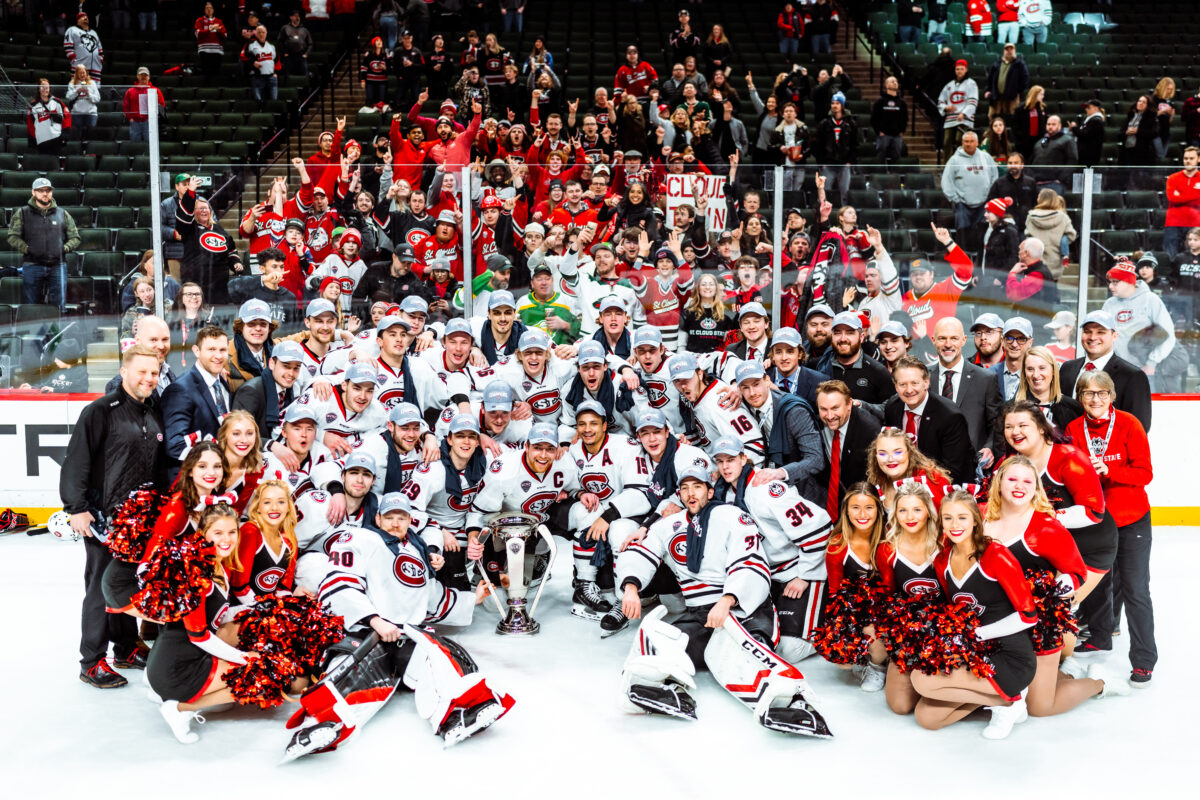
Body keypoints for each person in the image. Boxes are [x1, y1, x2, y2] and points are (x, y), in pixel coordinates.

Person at [616, 466, 829, 736]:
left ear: (710, 489)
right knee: (663, 642)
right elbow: (641, 552)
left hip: (744, 607)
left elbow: (752, 562)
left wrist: (728, 599)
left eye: (697, 487)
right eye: (684, 488)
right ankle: (669, 690)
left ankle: (793, 701)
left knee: (741, 651)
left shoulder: (732, 516)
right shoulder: (669, 525)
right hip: (701, 613)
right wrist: (631, 587)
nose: (691, 494)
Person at [60, 345, 166, 688]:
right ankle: (91, 661)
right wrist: (76, 508)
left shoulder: (154, 410)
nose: (149, 379)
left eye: (154, 373)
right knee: (99, 590)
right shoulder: (101, 411)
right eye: (142, 372)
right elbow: (76, 460)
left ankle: (125, 648)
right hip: (105, 520)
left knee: (126, 586)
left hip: (142, 521)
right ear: (124, 372)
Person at [912, 489, 1037, 738]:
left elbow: (1028, 615)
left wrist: (978, 633)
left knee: (921, 679)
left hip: (1010, 656)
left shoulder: (996, 555)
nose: (955, 525)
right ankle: (1005, 702)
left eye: (962, 517)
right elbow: (955, 612)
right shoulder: (942, 561)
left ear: (975, 521)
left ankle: (1010, 701)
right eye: (948, 518)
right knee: (927, 718)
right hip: (974, 654)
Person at [1001, 400, 1117, 650]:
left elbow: (1094, 511)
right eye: (1009, 426)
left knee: (1055, 613)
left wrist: (1043, 517)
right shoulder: (1012, 461)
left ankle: (1065, 666)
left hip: (1090, 549)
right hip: (1049, 550)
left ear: (1042, 428)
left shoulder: (1069, 457)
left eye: (1023, 425)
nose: (1015, 431)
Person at [1066, 370, 1157, 686]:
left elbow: (1145, 473)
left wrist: (1111, 470)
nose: (1095, 399)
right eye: (1088, 393)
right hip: (1095, 522)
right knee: (1098, 585)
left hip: (1132, 520)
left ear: (1112, 396)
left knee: (1135, 589)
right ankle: (1100, 637)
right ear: (1080, 398)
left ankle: (1144, 659)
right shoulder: (1074, 429)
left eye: (1102, 393)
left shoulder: (1130, 424)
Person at [822, 484, 889, 689]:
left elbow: (892, 589)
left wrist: (873, 620)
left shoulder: (888, 540)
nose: (862, 514)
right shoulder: (838, 544)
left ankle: (878, 666)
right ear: (846, 510)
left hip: (884, 608)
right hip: (854, 608)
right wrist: (841, 627)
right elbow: (835, 592)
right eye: (855, 507)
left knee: (872, 630)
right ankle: (865, 657)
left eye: (869, 507)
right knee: (842, 660)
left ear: (878, 509)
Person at [734, 361, 824, 502]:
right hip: (762, 487)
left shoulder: (794, 411)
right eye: (746, 388)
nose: (752, 393)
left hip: (802, 490)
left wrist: (780, 473)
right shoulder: (742, 405)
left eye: (756, 384)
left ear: (767, 380)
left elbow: (816, 459)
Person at [883, 356, 978, 485]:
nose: (909, 390)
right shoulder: (892, 407)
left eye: (914, 383)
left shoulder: (950, 416)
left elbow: (952, 470)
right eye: (902, 384)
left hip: (943, 486)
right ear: (895, 386)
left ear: (926, 383)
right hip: (902, 483)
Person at [1101, 258, 1188, 393]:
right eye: (1110, 282)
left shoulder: (1150, 299)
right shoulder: (1109, 304)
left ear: (1129, 282)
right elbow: (1105, 336)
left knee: (1149, 409)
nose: (1110, 287)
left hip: (1146, 370)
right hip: (1122, 369)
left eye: (1115, 282)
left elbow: (1168, 333)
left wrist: (1151, 363)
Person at [931, 317, 1004, 474]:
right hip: (931, 468)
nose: (948, 344)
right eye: (942, 338)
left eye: (954, 338)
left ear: (964, 340)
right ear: (933, 341)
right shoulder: (923, 377)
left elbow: (996, 422)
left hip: (971, 468)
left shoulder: (985, 378)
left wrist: (989, 447)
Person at [1059, 310, 1152, 432]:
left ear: (1114, 336)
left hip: (1108, 449)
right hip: (1068, 447)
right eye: (1087, 332)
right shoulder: (1067, 368)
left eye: (1100, 332)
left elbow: (1139, 427)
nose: (1093, 337)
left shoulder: (1132, 375)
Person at [162, 325, 231, 476]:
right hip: (190, 484)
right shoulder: (180, 389)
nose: (218, 356)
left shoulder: (223, 383)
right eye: (211, 349)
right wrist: (212, 466)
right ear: (196, 351)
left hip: (217, 479)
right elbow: (175, 446)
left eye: (222, 350)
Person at [7, 177, 79, 309]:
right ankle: (35, 331)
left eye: (48, 190)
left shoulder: (63, 214)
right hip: (32, 265)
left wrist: (64, 248)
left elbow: (75, 237)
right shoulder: (22, 213)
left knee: (58, 307)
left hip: (58, 266)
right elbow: (12, 237)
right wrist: (27, 249)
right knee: (31, 306)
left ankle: (56, 330)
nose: (45, 194)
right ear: (33, 192)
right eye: (40, 191)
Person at [815, 380, 882, 518]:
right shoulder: (815, 424)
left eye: (835, 408)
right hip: (828, 500)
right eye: (823, 409)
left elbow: (871, 479)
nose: (829, 415)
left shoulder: (869, 430)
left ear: (849, 404)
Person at [900, 224, 975, 345]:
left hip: (941, 351)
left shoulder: (946, 289)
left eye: (922, 273)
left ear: (931, 274)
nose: (918, 277)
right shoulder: (906, 297)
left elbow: (966, 270)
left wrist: (948, 242)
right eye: (914, 274)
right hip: (913, 354)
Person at [175, 176, 244, 305]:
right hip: (196, 283)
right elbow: (183, 216)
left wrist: (235, 262)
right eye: (199, 208)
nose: (204, 210)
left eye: (206, 208)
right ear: (193, 213)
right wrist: (190, 192)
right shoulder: (189, 228)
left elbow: (231, 250)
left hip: (219, 286)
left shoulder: (219, 229)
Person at [232, 339, 305, 441]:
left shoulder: (291, 390)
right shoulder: (250, 391)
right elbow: (237, 434)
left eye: (296, 368)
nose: (291, 373)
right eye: (286, 366)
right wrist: (270, 445)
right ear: (271, 363)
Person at [942, 131, 998, 245]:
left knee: (983, 231)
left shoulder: (986, 157)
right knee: (962, 232)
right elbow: (946, 182)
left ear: (977, 143)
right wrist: (955, 199)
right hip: (962, 204)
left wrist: (990, 197)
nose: (969, 144)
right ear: (962, 143)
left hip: (984, 204)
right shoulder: (954, 160)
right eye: (966, 141)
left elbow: (995, 177)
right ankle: (962, 257)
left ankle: (979, 256)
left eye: (972, 141)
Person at [1014, 345, 1084, 429]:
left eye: (1042, 368)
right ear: (1024, 373)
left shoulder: (1072, 408)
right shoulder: (1012, 408)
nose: (1036, 375)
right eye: (1030, 369)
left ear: (1053, 370)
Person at [1005, 238, 1059, 331]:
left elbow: (1014, 294)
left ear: (1026, 253)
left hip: (1036, 329)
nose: (1018, 253)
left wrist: (1012, 273)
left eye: (1020, 250)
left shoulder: (1037, 275)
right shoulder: (1033, 271)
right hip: (1033, 325)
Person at [1023, 189, 1076, 280]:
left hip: (1036, 261)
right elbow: (1071, 235)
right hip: (1055, 260)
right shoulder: (1063, 217)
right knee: (1052, 290)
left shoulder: (1031, 217)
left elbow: (1028, 237)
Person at [1163, 146, 1200, 259]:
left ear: (1198, 159)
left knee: (1194, 257)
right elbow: (1172, 198)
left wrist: (1181, 195)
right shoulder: (1173, 178)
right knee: (1170, 257)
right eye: (1185, 158)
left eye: (1191, 158)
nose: (1188, 161)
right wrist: (1196, 193)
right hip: (1174, 223)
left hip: (1195, 223)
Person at [938, 59, 979, 154]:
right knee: (946, 143)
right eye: (957, 69)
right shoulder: (949, 85)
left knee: (959, 141)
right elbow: (940, 101)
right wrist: (945, 107)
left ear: (966, 70)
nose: (959, 71)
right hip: (950, 120)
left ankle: (962, 165)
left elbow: (973, 101)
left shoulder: (971, 83)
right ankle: (947, 166)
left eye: (961, 69)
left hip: (964, 119)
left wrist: (964, 114)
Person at [990, 316, 1034, 400]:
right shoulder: (989, 374)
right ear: (1002, 340)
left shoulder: (1035, 377)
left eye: (1021, 339)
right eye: (1009, 338)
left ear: (1030, 342)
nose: (1014, 344)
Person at [25, 77, 70, 155]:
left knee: (54, 164)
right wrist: (33, 140)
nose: (45, 89)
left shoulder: (57, 102)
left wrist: (65, 134)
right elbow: (30, 124)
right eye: (42, 87)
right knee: (43, 165)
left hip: (56, 138)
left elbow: (67, 118)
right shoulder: (33, 105)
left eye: (47, 87)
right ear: (39, 89)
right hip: (42, 140)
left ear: (49, 89)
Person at [985, 43, 1029, 120]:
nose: (1009, 51)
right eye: (1007, 49)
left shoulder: (1019, 64)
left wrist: (1017, 91)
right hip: (996, 96)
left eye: (1011, 49)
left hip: (1012, 97)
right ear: (1003, 51)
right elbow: (990, 78)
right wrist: (988, 90)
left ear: (1015, 51)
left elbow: (1025, 79)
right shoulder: (997, 63)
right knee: (993, 117)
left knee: (1013, 117)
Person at [870, 76, 908, 163]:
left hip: (897, 135)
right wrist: (879, 131)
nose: (895, 83)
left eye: (896, 81)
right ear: (886, 85)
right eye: (892, 81)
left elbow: (905, 118)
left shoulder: (902, 102)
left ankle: (894, 175)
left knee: (897, 158)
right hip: (884, 135)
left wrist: (902, 130)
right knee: (880, 157)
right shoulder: (880, 102)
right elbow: (874, 119)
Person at [122, 66, 165, 142]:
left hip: (149, 122)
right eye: (141, 75)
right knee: (135, 144)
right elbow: (126, 106)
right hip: (135, 122)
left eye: (145, 75)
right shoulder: (130, 91)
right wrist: (130, 118)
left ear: (149, 77)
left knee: (150, 144)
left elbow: (161, 105)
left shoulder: (155, 90)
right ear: (137, 76)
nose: (143, 77)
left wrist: (153, 118)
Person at [243, 24, 279, 103]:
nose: (261, 34)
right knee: (258, 102)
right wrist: (252, 62)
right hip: (257, 77)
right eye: (259, 32)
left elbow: (276, 60)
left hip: (271, 77)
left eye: (263, 32)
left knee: (273, 101)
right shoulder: (250, 45)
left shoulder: (272, 46)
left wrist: (275, 72)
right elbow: (244, 59)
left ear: (266, 33)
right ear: (255, 33)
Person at [63, 11, 103, 81]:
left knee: (95, 89)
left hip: (96, 67)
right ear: (78, 20)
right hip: (80, 65)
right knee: (78, 88)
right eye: (82, 17)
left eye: (86, 16)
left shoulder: (94, 32)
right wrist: (74, 60)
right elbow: (68, 47)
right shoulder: (72, 30)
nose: (85, 18)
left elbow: (100, 49)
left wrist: (100, 60)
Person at [194, 3, 228, 78]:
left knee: (216, 73)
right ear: (204, 10)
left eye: (211, 8)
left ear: (213, 10)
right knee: (206, 74)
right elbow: (198, 34)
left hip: (217, 51)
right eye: (207, 8)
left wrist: (219, 30)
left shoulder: (219, 21)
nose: (209, 9)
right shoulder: (200, 20)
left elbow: (225, 36)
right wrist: (209, 29)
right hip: (204, 50)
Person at [65, 64, 99, 139]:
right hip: (77, 113)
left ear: (86, 73)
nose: (82, 75)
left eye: (83, 72)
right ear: (76, 74)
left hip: (91, 113)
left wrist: (89, 94)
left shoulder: (92, 83)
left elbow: (97, 99)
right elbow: (68, 97)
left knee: (90, 135)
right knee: (77, 136)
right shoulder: (72, 83)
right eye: (80, 73)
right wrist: (77, 91)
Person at [277, 9, 313, 81]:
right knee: (288, 75)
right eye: (295, 16)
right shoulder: (285, 28)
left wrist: (306, 54)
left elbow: (310, 44)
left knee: (304, 74)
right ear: (291, 17)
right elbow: (279, 41)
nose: (297, 18)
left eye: (298, 16)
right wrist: (284, 52)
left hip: (301, 55)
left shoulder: (304, 30)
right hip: (289, 55)